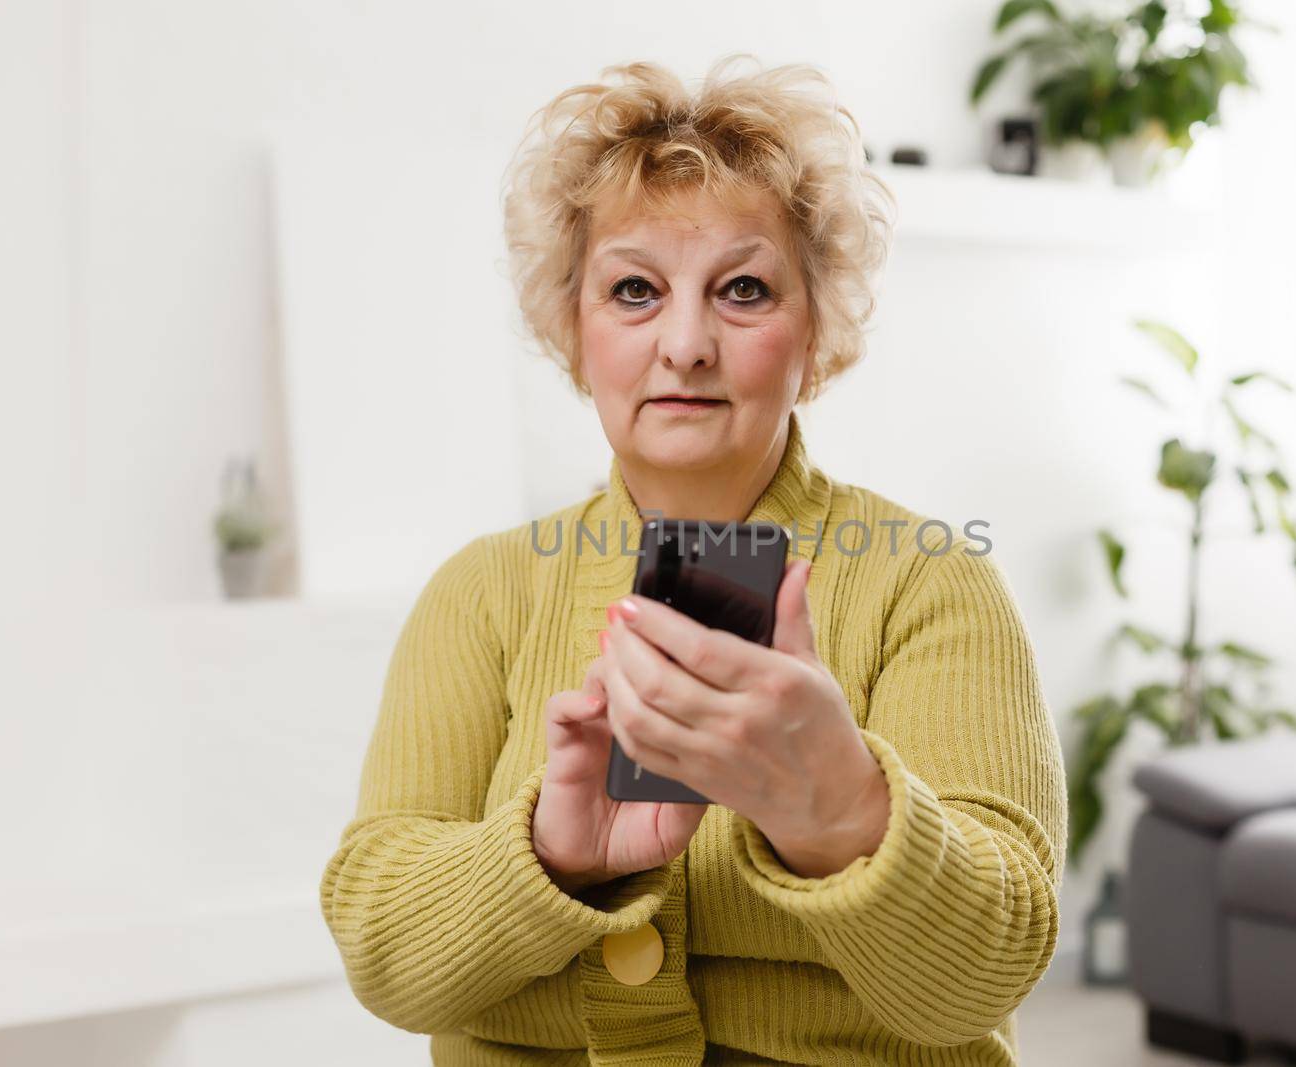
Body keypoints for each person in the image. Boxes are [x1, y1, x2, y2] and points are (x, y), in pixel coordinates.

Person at [319, 54, 1067, 1066]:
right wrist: (548, 854)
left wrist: (842, 809)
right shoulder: (481, 593)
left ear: (818, 330)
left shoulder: (929, 582)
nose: (684, 343)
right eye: (632, 289)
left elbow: (989, 971)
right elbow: (386, 957)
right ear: (572, 330)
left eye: (744, 290)